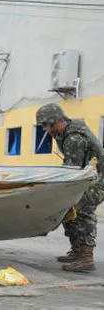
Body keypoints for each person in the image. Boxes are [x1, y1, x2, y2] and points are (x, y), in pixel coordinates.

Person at [36, 103, 104, 272]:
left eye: (46, 125)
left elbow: (73, 170)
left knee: (83, 211)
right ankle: (77, 251)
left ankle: (86, 257)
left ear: (55, 121)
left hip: (97, 179)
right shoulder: (63, 133)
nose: (45, 130)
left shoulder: (74, 138)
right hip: (86, 176)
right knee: (67, 209)